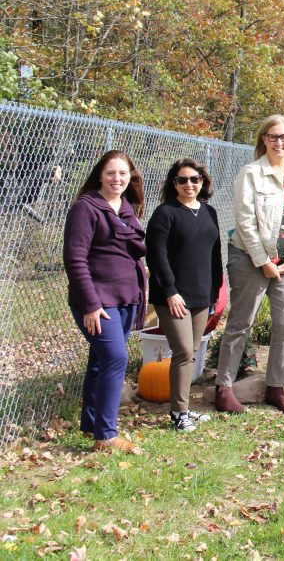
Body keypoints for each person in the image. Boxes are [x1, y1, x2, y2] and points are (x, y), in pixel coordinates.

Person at [215, 115, 284, 416]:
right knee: (242, 323)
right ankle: (224, 387)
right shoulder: (251, 174)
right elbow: (244, 222)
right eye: (273, 136)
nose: (279, 142)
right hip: (249, 258)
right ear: (264, 139)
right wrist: (263, 261)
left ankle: (276, 387)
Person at [63, 151, 147, 453]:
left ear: (130, 177)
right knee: (115, 358)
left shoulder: (126, 209)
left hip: (127, 299)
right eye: (111, 173)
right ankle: (107, 435)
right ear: (100, 175)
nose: (117, 179)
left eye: (123, 173)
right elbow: (75, 259)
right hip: (98, 302)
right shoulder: (86, 208)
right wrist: (90, 304)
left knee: (100, 362)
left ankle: (91, 425)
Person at [145, 159, 222, 432]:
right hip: (174, 297)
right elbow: (157, 257)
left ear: (203, 182)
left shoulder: (209, 212)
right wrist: (170, 292)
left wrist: (215, 292)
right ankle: (179, 414)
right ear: (173, 183)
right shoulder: (164, 213)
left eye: (195, 179)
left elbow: (215, 255)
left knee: (192, 352)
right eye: (182, 180)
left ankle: (184, 409)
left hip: (202, 295)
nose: (189, 184)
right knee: (183, 352)